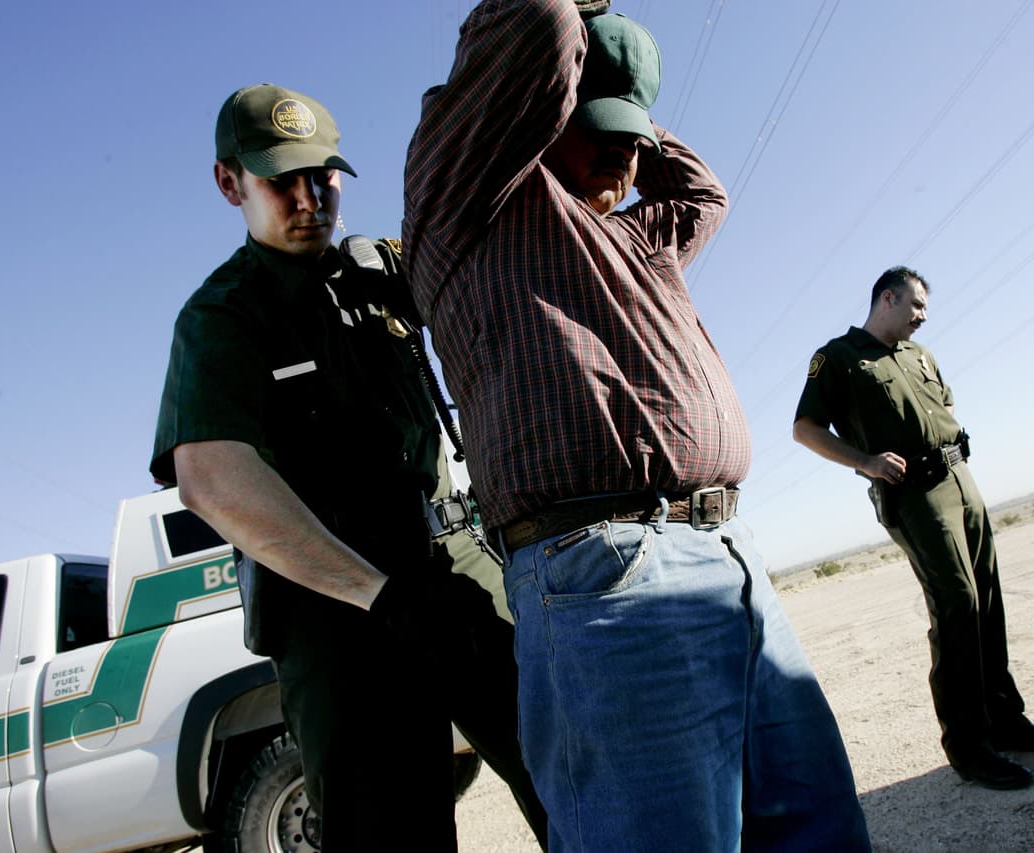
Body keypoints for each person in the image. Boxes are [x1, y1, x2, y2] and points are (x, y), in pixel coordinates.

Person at [402, 2, 872, 850]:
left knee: (817, 831)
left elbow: (703, 193)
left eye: (637, 138)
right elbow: (536, 29)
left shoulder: (640, 238)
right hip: (609, 576)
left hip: (728, 558)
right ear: (536, 115)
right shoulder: (468, 208)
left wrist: (634, 113)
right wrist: (584, 22)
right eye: (598, 129)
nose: (626, 153)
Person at [150, 83, 547, 851]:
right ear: (229, 182)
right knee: (390, 831)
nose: (308, 198)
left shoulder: (382, 269)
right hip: (340, 613)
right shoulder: (223, 316)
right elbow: (212, 474)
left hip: (458, 566)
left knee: (577, 775)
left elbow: (493, 267)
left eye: (323, 175)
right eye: (279, 180)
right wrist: (381, 594)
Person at [792, 265, 1034, 790]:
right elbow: (804, 429)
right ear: (887, 298)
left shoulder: (920, 356)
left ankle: (1006, 722)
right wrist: (865, 461)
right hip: (915, 494)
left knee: (987, 602)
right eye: (916, 306)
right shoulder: (838, 357)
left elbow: (942, 410)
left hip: (960, 479)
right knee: (957, 608)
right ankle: (969, 747)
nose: (923, 317)